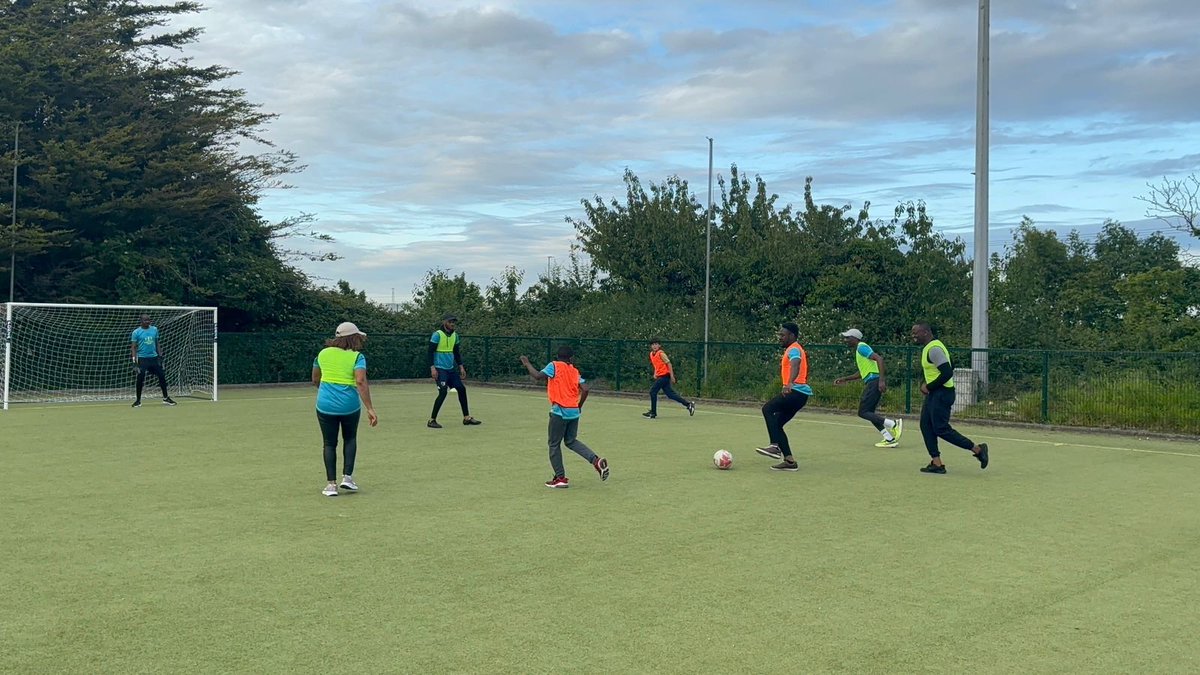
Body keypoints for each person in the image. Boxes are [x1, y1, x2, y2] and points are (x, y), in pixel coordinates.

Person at [519, 346, 609, 489]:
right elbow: (585, 389)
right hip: (574, 411)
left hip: (560, 411)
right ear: (571, 358)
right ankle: (595, 460)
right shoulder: (574, 370)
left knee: (554, 444)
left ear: (558, 356)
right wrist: (579, 405)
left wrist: (527, 363)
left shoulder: (554, 366)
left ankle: (560, 478)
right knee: (571, 441)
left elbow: (537, 376)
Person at [910, 322, 989, 474]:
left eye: (916, 333)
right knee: (926, 426)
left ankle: (978, 449)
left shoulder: (934, 349)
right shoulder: (932, 347)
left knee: (941, 429)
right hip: (935, 393)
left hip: (942, 393)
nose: (913, 336)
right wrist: (927, 384)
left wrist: (929, 386)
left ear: (926, 332)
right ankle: (937, 463)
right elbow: (950, 365)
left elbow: (947, 372)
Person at [312, 321, 378, 496]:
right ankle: (347, 478)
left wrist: (326, 392)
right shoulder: (357, 357)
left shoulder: (322, 353)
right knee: (350, 439)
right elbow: (360, 381)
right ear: (353, 338)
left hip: (324, 405)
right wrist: (370, 408)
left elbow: (315, 379)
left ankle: (331, 485)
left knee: (329, 443)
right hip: (349, 406)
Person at [754, 322, 811, 471]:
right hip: (800, 395)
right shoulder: (794, 349)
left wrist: (790, 383)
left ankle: (774, 446)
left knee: (767, 409)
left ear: (792, 336)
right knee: (776, 424)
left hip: (795, 392)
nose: (780, 337)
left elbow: (796, 364)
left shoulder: (794, 350)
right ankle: (790, 461)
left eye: (783, 335)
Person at [833, 328, 903, 447]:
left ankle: (893, 424)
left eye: (848, 337)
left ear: (855, 338)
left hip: (874, 382)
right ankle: (889, 438)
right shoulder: (859, 351)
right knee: (869, 412)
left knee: (863, 412)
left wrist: (881, 380)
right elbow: (861, 373)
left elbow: (879, 359)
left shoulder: (861, 347)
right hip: (872, 381)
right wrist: (845, 379)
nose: (846, 340)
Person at [427, 314, 481, 428]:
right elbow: (430, 352)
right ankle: (432, 420)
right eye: (450, 321)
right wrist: (432, 368)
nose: (452, 324)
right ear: (444, 322)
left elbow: (456, 352)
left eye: (453, 322)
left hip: (450, 369)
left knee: (461, 388)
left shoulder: (455, 336)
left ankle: (466, 418)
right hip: (439, 369)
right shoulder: (437, 335)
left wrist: (461, 366)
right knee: (443, 392)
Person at [130, 314, 176, 407]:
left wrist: (160, 356)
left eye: (149, 320)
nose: (147, 322)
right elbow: (133, 348)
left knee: (162, 376)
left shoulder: (154, 329)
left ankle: (166, 398)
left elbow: (157, 343)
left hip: (154, 358)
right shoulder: (136, 332)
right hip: (142, 359)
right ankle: (138, 400)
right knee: (140, 378)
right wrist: (134, 361)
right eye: (145, 320)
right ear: (141, 321)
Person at [643, 339, 696, 419]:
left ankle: (653, 413)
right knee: (670, 394)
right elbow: (657, 365)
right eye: (653, 344)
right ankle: (688, 404)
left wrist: (672, 376)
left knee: (653, 392)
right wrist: (655, 373)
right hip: (660, 376)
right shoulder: (651, 354)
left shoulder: (661, 353)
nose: (654, 346)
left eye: (656, 344)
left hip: (665, 376)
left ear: (659, 345)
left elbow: (669, 364)